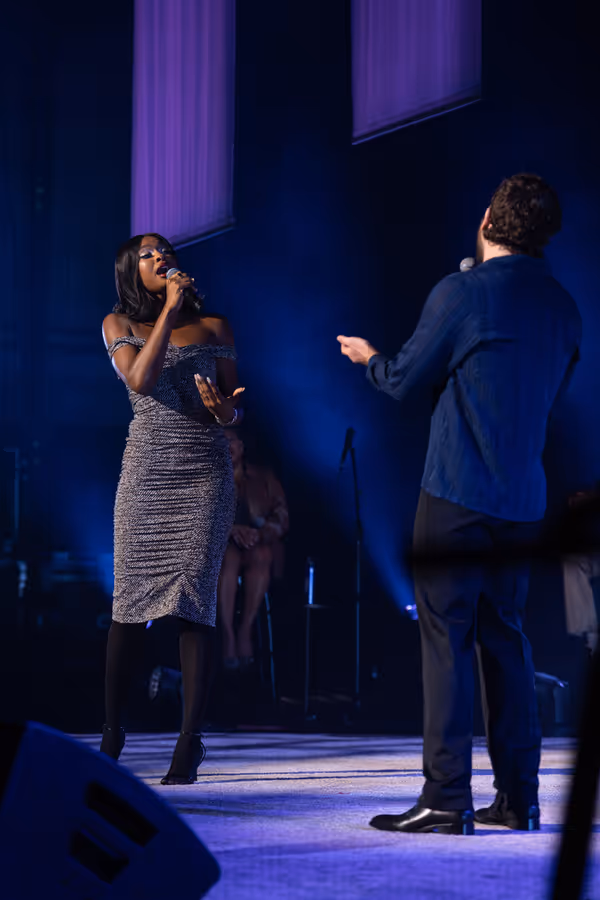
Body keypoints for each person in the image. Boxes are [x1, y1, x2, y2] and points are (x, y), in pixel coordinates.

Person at [338, 174, 581, 834]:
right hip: (522, 499)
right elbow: (547, 396)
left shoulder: (465, 292)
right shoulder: (564, 306)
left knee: (447, 638)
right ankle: (520, 798)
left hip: (457, 491)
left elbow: (404, 380)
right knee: (506, 638)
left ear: (486, 220)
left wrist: (370, 358)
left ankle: (447, 798)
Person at [101, 233, 244, 784]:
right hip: (146, 477)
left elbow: (232, 409)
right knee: (128, 608)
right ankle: (113, 732)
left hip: (205, 477)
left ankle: (190, 741)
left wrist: (226, 417)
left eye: (167, 251)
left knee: (194, 605)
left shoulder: (216, 328)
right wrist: (169, 309)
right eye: (149, 253)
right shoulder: (119, 324)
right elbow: (141, 378)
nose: (162, 257)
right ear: (131, 270)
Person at [218, 430, 288, 668]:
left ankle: (245, 630)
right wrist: (229, 530)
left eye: (231, 440)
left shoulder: (263, 477)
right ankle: (227, 633)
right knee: (228, 558)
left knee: (263, 554)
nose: (227, 445)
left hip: (255, 544)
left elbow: (282, 516)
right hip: (220, 550)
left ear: (242, 445)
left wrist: (261, 533)